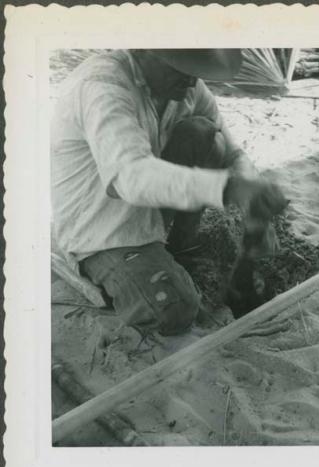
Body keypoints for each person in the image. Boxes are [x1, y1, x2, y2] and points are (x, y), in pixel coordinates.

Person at [51, 49, 286, 336]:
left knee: (206, 134)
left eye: (195, 70)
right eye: (180, 69)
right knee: (174, 309)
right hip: (101, 229)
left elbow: (232, 152)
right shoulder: (103, 87)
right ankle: (122, 267)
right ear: (142, 51)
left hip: (149, 208)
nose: (191, 82)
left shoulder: (185, 85)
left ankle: (177, 251)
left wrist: (254, 197)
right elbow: (131, 177)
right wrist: (229, 188)